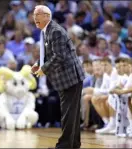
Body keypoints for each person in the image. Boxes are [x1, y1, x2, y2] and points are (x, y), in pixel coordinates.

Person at [31, 5, 84, 148]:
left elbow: (59, 56)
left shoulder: (55, 31)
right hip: (66, 79)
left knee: (68, 113)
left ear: (47, 16)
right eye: (34, 14)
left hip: (71, 78)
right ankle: (74, 144)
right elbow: (48, 53)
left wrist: (44, 69)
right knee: (71, 113)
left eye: (38, 14)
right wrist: (38, 63)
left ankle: (65, 145)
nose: (35, 17)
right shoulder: (46, 31)